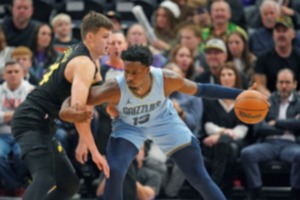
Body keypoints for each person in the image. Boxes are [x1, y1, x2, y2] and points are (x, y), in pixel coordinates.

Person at [59, 45, 251, 200]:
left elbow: (202, 89)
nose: (130, 77)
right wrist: (66, 110)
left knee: (198, 176)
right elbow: (77, 97)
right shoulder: (114, 88)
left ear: (148, 69)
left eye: (135, 72)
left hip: (164, 122)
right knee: (115, 170)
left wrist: (242, 94)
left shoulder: (167, 79)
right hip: (130, 126)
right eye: (127, 71)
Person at [10, 11, 113, 200]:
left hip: (45, 124)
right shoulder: (84, 63)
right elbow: (78, 111)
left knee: (69, 184)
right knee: (45, 178)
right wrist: (95, 152)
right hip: (31, 120)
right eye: (105, 37)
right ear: (90, 36)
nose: (110, 42)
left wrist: (83, 142)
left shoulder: (88, 58)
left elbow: (89, 101)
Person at [241, 68, 300, 200]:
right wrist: (288, 126)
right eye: (281, 82)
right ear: (276, 84)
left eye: (287, 82)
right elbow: (259, 127)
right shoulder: (266, 100)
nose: (284, 86)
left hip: (292, 144)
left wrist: (276, 122)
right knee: (247, 153)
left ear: (295, 84)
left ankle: (296, 193)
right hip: (269, 143)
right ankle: (257, 192)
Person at [0, 61, 34, 197]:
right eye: (9, 72)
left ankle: (17, 185)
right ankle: (16, 186)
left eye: (16, 71)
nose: (13, 75)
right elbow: (25, 114)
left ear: (23, 74)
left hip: (24, 134)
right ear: (3, 75)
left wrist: (4, 117)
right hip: (2, 135)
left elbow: (32, 116)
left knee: (22, 155)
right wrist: (19, 114)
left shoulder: (31, 90)